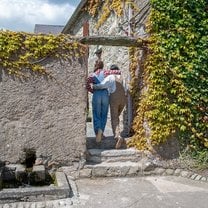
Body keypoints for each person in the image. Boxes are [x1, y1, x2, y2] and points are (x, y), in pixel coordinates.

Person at [86, 61, 121, 143]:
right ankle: (101, 131)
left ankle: (98, 131)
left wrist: (92, 90)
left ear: (95, 66)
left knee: (96, 114)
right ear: (102, 65)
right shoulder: (106, 72)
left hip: (96, 94)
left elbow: (87, 84)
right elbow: (118, 72)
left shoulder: (92, 75)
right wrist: (111, 72)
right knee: (104, 114)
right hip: (105, 94)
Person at [93, 64, 127, 149]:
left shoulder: (111, 77)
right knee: (117, 117)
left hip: (114, 99)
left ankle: (118, 136)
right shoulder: (123, 77)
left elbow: (102, 85)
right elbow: (126, 89)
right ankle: (118, 131)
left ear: (111, 70)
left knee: (114, 118)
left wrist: (94, 86)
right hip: (123, 100)